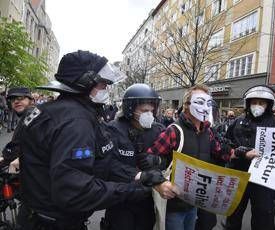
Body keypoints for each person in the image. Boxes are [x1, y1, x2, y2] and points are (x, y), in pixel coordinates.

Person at [16, 50, 178, 230]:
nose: (106, 89)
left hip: (36, 216)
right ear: (84, 82)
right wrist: (137, 189)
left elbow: (101, 160)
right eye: (103, 84)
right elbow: (76, 191)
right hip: (54, 222)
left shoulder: (50, 110)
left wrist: (139, 176)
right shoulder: (76, 122)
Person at [147, 84, 231, 230]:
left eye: (208, 103)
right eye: (199, 102)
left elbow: (220, 152)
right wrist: (159, 182)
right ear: (186, 105)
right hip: (174, 204)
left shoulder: (208, 131)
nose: (205, 107)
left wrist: (242, 153)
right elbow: (150, 159)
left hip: (195, 202)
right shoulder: (174, 131)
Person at [103, 83, 165, 230]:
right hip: (121, 199)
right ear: (130, 109)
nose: (149, 114)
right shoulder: (113, 129)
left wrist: (158, 161)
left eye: (151, 110)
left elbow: (170, 159)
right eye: (144, 110)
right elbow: (108, 164)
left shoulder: (158, 130)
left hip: (147, 199)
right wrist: (139, 175)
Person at [224, 85, 275, 230]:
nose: (257, 106)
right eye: (254, 102)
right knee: (234, 212)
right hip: (239, 173)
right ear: (248, 103)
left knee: (264, 215)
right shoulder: (238, 122)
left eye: (261, 102)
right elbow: (226, 143)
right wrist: (239, 152)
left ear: (269, 105)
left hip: (263, 178)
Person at [0, 87, 35, 172]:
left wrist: (6, 158)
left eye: (20, 98)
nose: (16, 101)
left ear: (32, 100)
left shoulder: (33, 117)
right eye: (12, 99)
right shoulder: (29, 115)